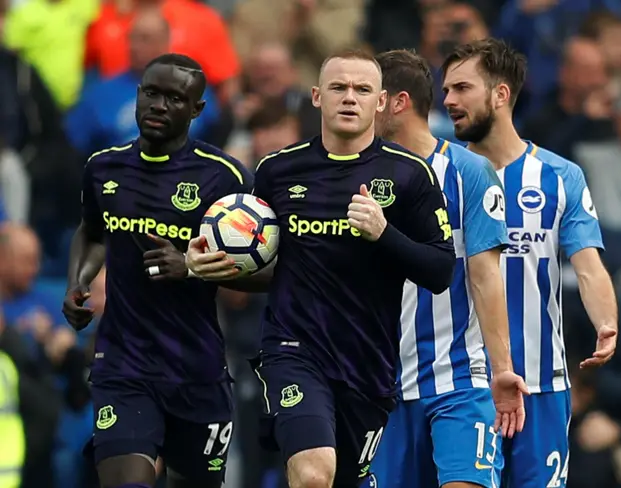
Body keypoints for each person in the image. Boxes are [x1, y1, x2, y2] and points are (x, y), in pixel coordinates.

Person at [188, 49, 457, 488]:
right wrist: (209, 266)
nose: (349, 98)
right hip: (294, 350)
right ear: (316, 97)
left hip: (368, 361)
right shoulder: (277, 171)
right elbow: (264, 265)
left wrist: (384, 233)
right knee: (314, 473)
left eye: (362, 89)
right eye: (338, 87)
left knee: (344, 479)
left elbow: (440, 272)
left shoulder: (410, 175)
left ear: (382, 102)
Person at [61, 53, 253, 488]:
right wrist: (78, 281)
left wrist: (191, 267)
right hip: (123, 365)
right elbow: (92, 232)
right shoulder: (104, 166)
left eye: (174, 98)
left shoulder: (225, 179)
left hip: (196, 369)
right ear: (138, 94)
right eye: (151, 93)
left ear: (197, 109)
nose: (159, 105)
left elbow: (265, 274)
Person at [441, 38, 618, 488]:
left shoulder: (560, 176)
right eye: (446, 90)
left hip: (541, 384)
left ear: (500, 95)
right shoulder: (440, 176)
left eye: (462, 88)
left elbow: (589, 265)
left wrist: (605, 322)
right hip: (467, 387)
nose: (448, 101)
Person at [368, 49, 529, 488]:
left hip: (457, 379)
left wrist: (502, 370)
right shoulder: (355, 176)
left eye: (368, 94)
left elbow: (486, 276)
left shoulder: (468, 172)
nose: (357, 104)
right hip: (380, 385)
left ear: (395, 102)